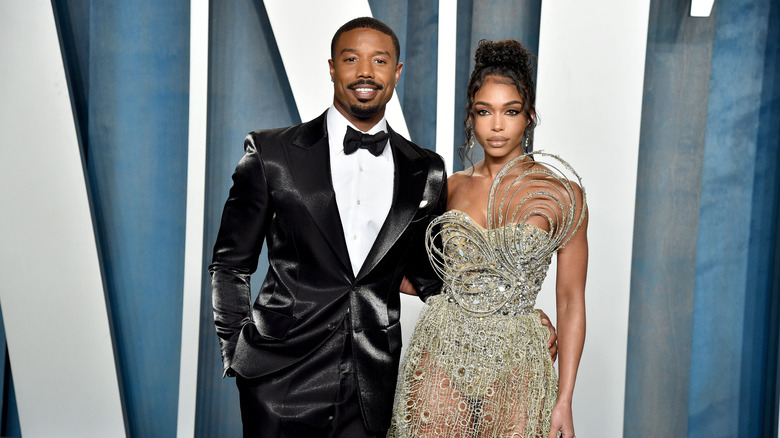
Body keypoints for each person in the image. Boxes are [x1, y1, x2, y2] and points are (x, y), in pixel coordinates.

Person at [208, 17, 446, 437]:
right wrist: (239, 354)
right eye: (351, 59)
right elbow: (230, 265)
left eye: (380, 60)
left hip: (371, 381)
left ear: (397, 71)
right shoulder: (270, 152)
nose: (366, 72)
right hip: (279, 377)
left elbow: (432, 278)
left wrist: (514, 317)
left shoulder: (426, 170)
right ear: (332, 67)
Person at [388, 39, 588, 438]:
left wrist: (565, 399)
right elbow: (403, 268)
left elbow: (570, 301)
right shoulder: (449, 186)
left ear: (529, 116)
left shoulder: (563, 193)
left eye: (510, 111)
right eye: (484, 112)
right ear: (471, 117)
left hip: (519, 360)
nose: (497, 126)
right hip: (442, 350)